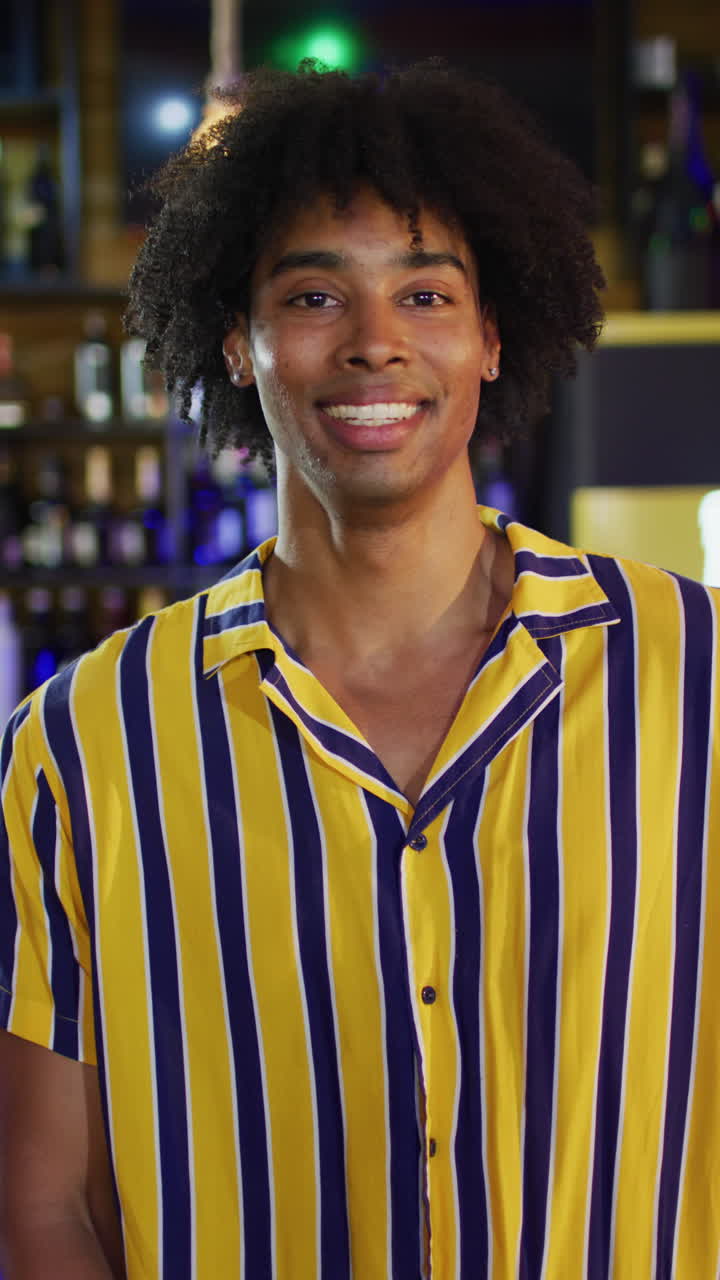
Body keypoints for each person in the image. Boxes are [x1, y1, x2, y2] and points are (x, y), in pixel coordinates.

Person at [0, 61, 718, 1280]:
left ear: (493, 337)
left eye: (427, 293)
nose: (377, 343)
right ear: (239, 342)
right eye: (317, 295)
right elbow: (41, 1207)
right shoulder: (83, 742)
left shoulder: (696, 679)